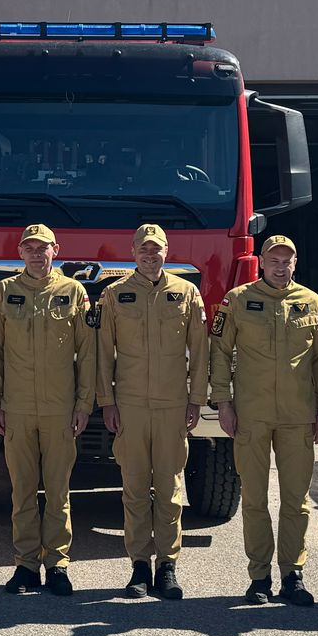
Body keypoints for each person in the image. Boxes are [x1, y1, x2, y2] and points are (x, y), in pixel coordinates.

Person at [209, 233, 318, 607]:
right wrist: (223, 403)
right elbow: (220, 352)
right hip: (252, 415)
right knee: (254, 499)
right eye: (274, 260)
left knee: (296, 500)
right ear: (261, 262)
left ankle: (293, 574)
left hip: (298, 417)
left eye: (286, 260)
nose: (280, 267)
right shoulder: (237, 300)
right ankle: (259, 576)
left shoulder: (311, 302)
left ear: (295, 263)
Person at [0, 224, 97, 595]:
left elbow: (88, 353)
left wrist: (84, 404)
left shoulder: (73, 292)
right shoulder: (4, 291)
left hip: (59, 409)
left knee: (59, 492)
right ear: (20, 252)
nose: (36, 254)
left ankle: (58, 564)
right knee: (23, 491)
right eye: (29, 248)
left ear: (55, 250)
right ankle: (26, 565)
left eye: (42, 247)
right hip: (16, 408)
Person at [98, 223, 209, 600]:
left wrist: (196, 399)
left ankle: (167, 565)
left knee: (169, 490)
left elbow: (201, 351)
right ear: (132, 252)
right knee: (133, 489)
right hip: (130, 405)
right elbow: (103, 353)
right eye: (143, 249)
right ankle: (139, 567)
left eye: (156, 249)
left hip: (172, 405)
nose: (150, 255)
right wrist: (107, 401)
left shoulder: (186, 292)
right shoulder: (114, 294)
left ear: (166, 251)